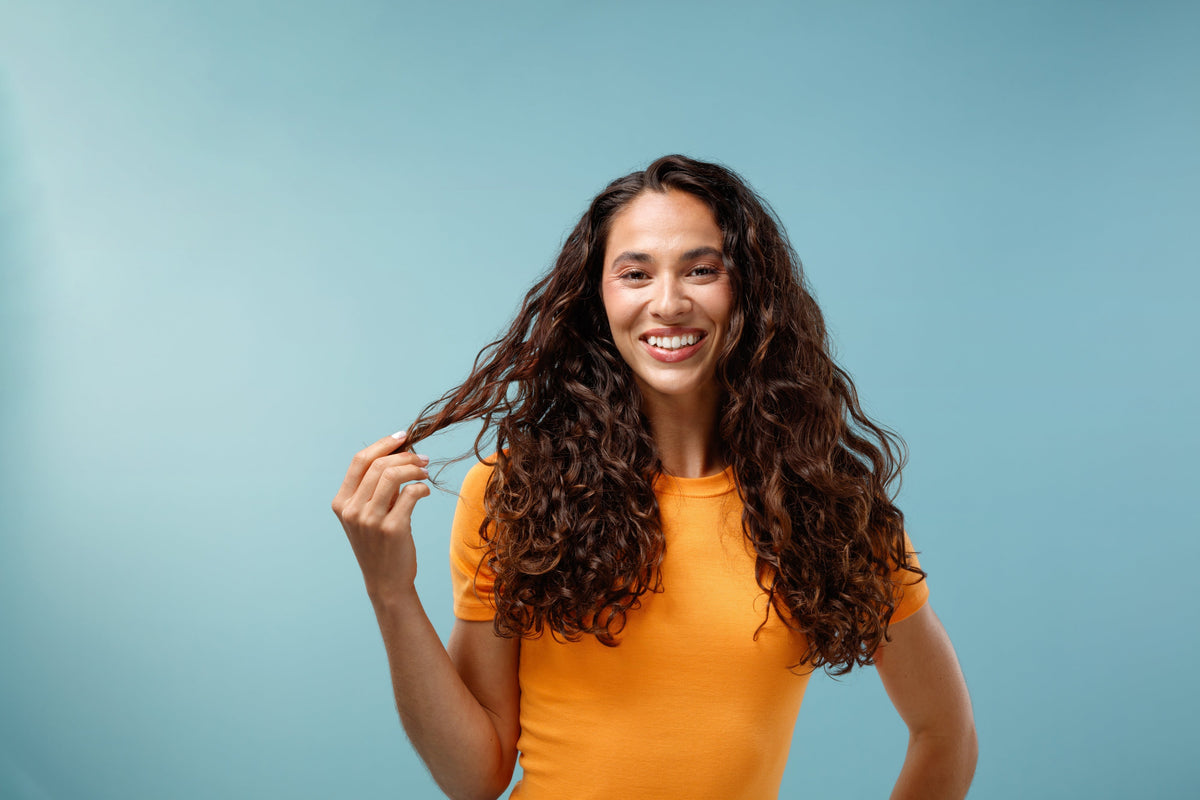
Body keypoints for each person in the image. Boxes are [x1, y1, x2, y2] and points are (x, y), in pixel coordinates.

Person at [332, 155, 977, 799]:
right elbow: (474, 777)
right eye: (635, 274)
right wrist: (391, 592)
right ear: (599, 298)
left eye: (701, 270)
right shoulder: (514, 492)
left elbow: (945, 733)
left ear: (748, 289)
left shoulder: (825, 505)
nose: (668, 303)